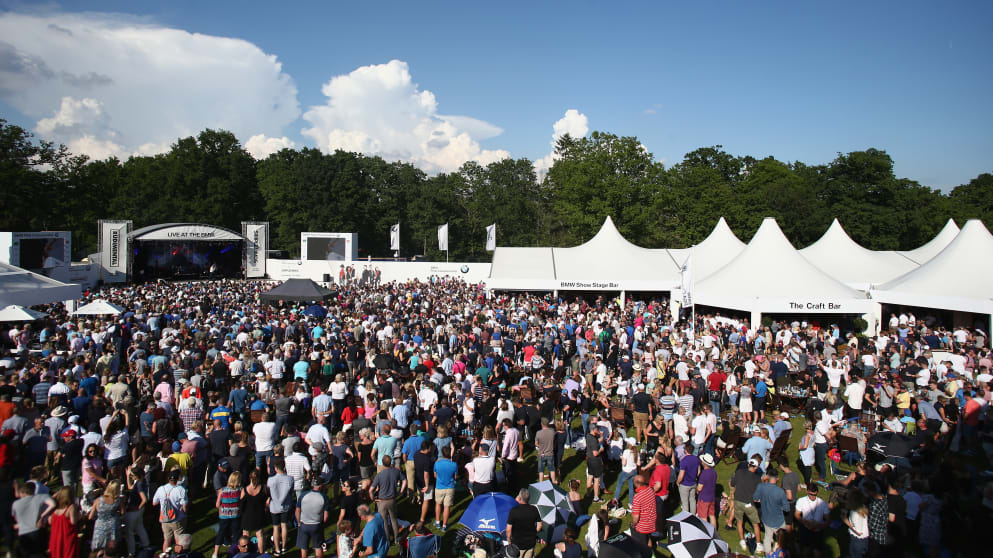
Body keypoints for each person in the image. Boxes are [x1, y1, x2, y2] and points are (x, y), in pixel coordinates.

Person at [12, 480, 54, 557]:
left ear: (24, 492)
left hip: (23, 533)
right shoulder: (41, 497)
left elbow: (16, 519)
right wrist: (43, 515)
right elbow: (53, 504)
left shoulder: (16, 504)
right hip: (37, 531)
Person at [153, 469, 189, 558]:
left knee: (167, 539)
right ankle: (178, 556)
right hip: (177, 519)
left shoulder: (161, 489)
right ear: (177, 479)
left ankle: (165, 556)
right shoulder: (181, 490)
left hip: (164, 518)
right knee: (179, 540)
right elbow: (184, 508)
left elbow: (154, 503)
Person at [368, 455, 404, 543]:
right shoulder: (396, 471)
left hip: (382, 501)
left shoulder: (379, 475)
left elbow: (371, 490)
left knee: (384, 522)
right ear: (391, 462)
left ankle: (387, 540)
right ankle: (396, 539)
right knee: (394, 519)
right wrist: (401, 491)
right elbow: (405, 481)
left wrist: (373, 499)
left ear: (382, 463)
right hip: (392, 499)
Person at [754, 468, 790, 556]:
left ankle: (768, 555)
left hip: (766, 519)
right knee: (782, 540)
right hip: (779, 520)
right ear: (777, 478)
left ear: (767, 477)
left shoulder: (761, 487)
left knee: (767, 538)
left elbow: (755, 498)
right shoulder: (780, 492)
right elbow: (787, 508)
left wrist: (762, 500)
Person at [730, 457, 763, 552]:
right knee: (755, 524)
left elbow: (732, 484)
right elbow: (758, 494)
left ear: (748, 465)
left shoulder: (739, 472)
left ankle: (742, 541)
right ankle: (758, 544)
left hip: (738, 501)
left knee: (739, 522)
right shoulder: (757, 479)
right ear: (756, 467)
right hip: (749, 504)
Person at [266, 458, 294, 557]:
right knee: (284, 526)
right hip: (285, 505)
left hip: (274, 506)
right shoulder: (290, 479)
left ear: (276, 468)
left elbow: (268, 493)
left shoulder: (271, 480)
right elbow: (291, 492)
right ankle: (284, 547)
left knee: (276, 527)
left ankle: (277, 548)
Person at [296, 478, 330, 558]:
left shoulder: (303, 495)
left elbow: (297, 511)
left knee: (304, 548)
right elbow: (326, 516)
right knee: (318, 546)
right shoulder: (324, 497)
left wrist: (298, 522)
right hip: (316, 525)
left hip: (303, 524)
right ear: (321, 486)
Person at [89, 479, 124, 556]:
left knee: (98, 549)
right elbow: (122, 512)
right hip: (113, 526)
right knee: (112, 549)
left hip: (100, 526)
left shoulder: (98, 500)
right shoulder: (118, 500)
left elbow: (90, 517)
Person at [213, 471, 244, 558]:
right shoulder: (240, 490)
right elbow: (242, 502)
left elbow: (217, 505)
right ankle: (235, 552)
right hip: (236, 515)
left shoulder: (222, 491)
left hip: (224, 515)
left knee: (221, 533)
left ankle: (215, 553)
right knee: (236, 534)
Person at [44, 487, 80, 558]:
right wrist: (79, 515)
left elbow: (50, 521)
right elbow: (73, 522)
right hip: (67, 537)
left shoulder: (55, 509)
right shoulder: (71, 507)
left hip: (56, 537)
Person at [505, 489, 542, 558]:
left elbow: (508, 529)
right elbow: (539, 526)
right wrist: (533, 532)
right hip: (530, 543)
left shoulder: (514, 511)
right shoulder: (534, 509)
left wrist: (509, 541)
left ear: (519, 498)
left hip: (517, 545)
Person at [794, 483, 829, 549]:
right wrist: (805, 522)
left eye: (815, 495)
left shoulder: (823, 503)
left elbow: (828, 519)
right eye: (811, 494)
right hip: (805, 528)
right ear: (807, 491)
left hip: (818, 530)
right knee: (805, 549)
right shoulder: (801, 501)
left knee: (817, 551)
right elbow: (797, 514)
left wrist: (820, 526)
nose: (813, 497)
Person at [630, 474, 657, 548]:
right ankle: (651, 551)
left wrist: (633, 524)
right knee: (648, 538)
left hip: (642, 527)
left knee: (641, 546)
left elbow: (636, 518)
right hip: (652, 522)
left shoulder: (637, 497)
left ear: (636, 483)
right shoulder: (650, 490)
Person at [433, 445, 457, 530]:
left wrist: (440, 479)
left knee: (438, 504)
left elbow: (435, 475)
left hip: (439, 487)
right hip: (450, 487)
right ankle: (444, 525)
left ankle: (437, 522)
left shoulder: (437, 464)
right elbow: (455, 477)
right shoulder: (454, 464)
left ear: (442, 454)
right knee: (447, 506)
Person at [677, 441, 701, 514]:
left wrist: (678, 482)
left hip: (684, 484)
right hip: (693, 483)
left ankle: (686, 518)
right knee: (693, 500)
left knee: (685, 503)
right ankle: (693, 516)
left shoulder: (683, 461)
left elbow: (681, 475)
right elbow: (699, 471)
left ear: (685, 450)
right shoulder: (696, 459)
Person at [696, 453, 718, 527]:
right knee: (712, 515)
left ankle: (706, 532)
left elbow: (699, 488)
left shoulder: (704, 474)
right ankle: (714, 531)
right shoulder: (714, 472)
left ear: (704, 463)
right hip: (712, 497)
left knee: (703, 516)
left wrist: (697, 491)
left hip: (704, 498)